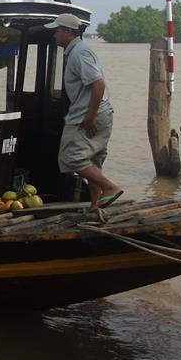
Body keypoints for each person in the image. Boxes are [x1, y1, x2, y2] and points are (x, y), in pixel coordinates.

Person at [44, 13, 123, 218]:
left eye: (57, 30)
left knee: (70, 158)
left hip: (88, 115)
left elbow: (98, 84)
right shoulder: (78, 51)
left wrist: (90, 116)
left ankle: (110, 187)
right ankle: (96, 206)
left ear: (68, 32)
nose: (54, 35)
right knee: (93, 160)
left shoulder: (80, 52)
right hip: (101, 112)